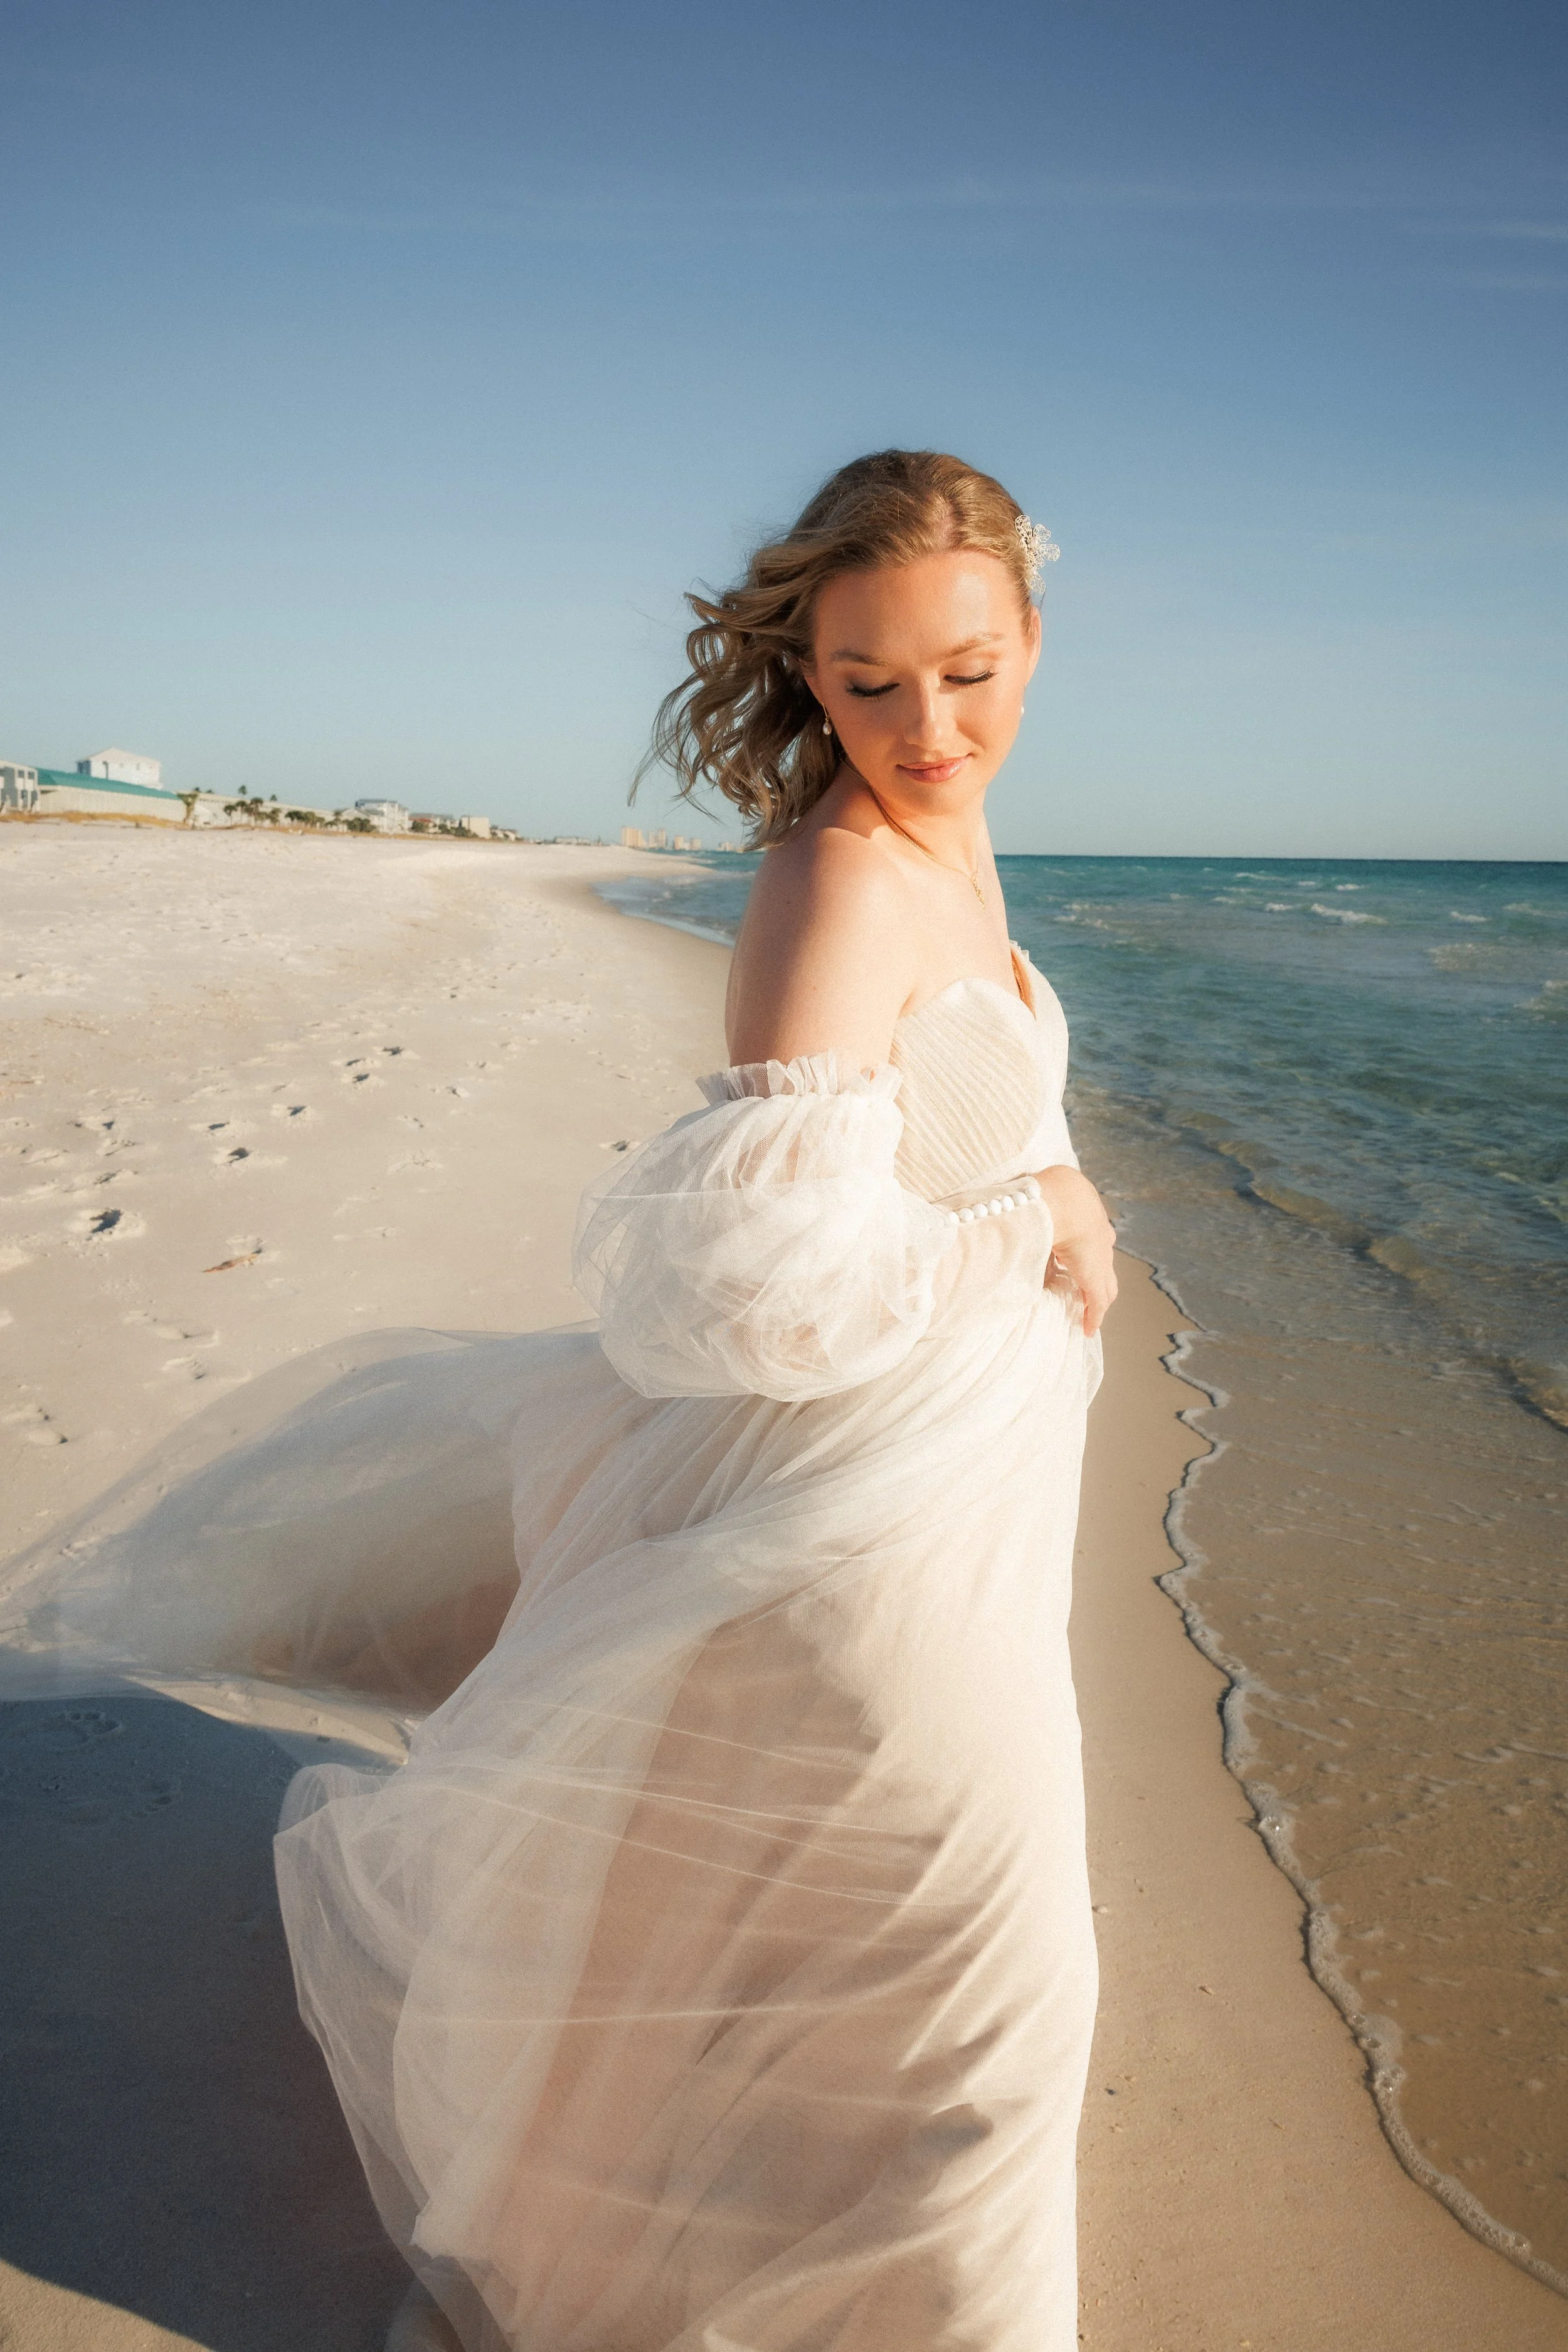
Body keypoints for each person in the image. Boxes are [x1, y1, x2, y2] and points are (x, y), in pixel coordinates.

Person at [267, 447, 1115, 2352]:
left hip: (973, 1492)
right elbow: (744, 1285)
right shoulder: (831, 877)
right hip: (875, 1520)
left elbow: (958, 1110)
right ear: (805, 668)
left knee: (872, 1956)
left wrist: (1040, 1187)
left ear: (1031, 639)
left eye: (967, 671)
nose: (924, 724)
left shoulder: (951, 831)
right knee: (989, 1982)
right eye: (867, 679)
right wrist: (1031, 1221)